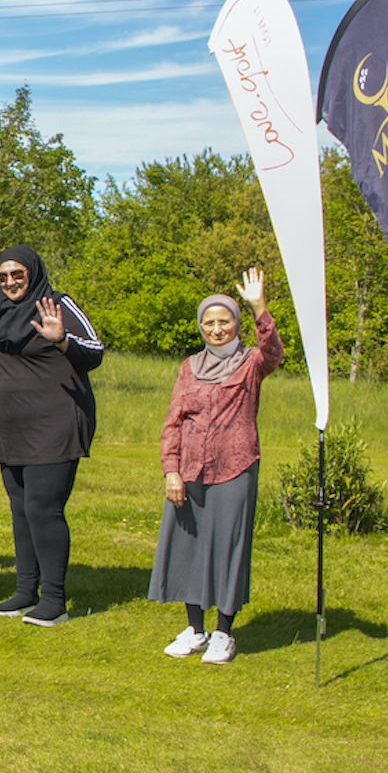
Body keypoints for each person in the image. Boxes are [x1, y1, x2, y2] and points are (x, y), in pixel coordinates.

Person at [149, 268, 283, 665]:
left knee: (227, 549)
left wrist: (259, 306)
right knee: (188, 546)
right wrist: (170, 470)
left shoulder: (251, 364)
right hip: (189, 471)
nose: (216, 329)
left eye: (224, 321)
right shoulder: (189, 367)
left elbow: (274, 353)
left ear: (236, 325)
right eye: (209, 323)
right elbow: (173, 420)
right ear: (200, 328)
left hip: (235, 467)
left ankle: (224, 633)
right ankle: (195, 629)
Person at [0, 245, 103, 627]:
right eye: (3, 277)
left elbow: (94, 351)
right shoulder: (0, 316)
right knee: (20, 509)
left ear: (32, 271)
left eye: (17, 274)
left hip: (53, 425)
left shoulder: (57, 304)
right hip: (10, 428)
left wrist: (61, 339)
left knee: (42, 508)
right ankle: (25, 590)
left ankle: (54, 599)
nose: (10, 282)